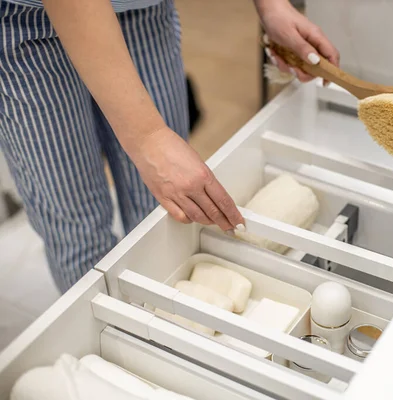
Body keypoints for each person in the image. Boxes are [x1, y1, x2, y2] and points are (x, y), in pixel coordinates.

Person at [0, 0, 339, 293]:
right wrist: (148, 136)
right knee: (79, 234)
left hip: (143, 11)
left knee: (163, 214)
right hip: (26, 25)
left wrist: (272, 6)